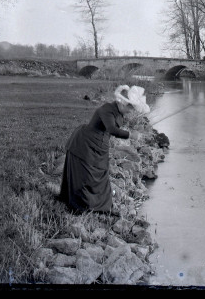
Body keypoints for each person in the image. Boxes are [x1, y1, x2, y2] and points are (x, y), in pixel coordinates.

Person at [59, 85, 150, 214]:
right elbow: (112, 129)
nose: (132, 111)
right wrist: (130, 135)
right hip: (85, 143)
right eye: (131, 107)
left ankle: (99, 206)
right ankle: (83, 205)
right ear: (123, 103)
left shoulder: (118, 111)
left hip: (100, 145)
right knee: (86, 175)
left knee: (100, 174)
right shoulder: (107, 109)